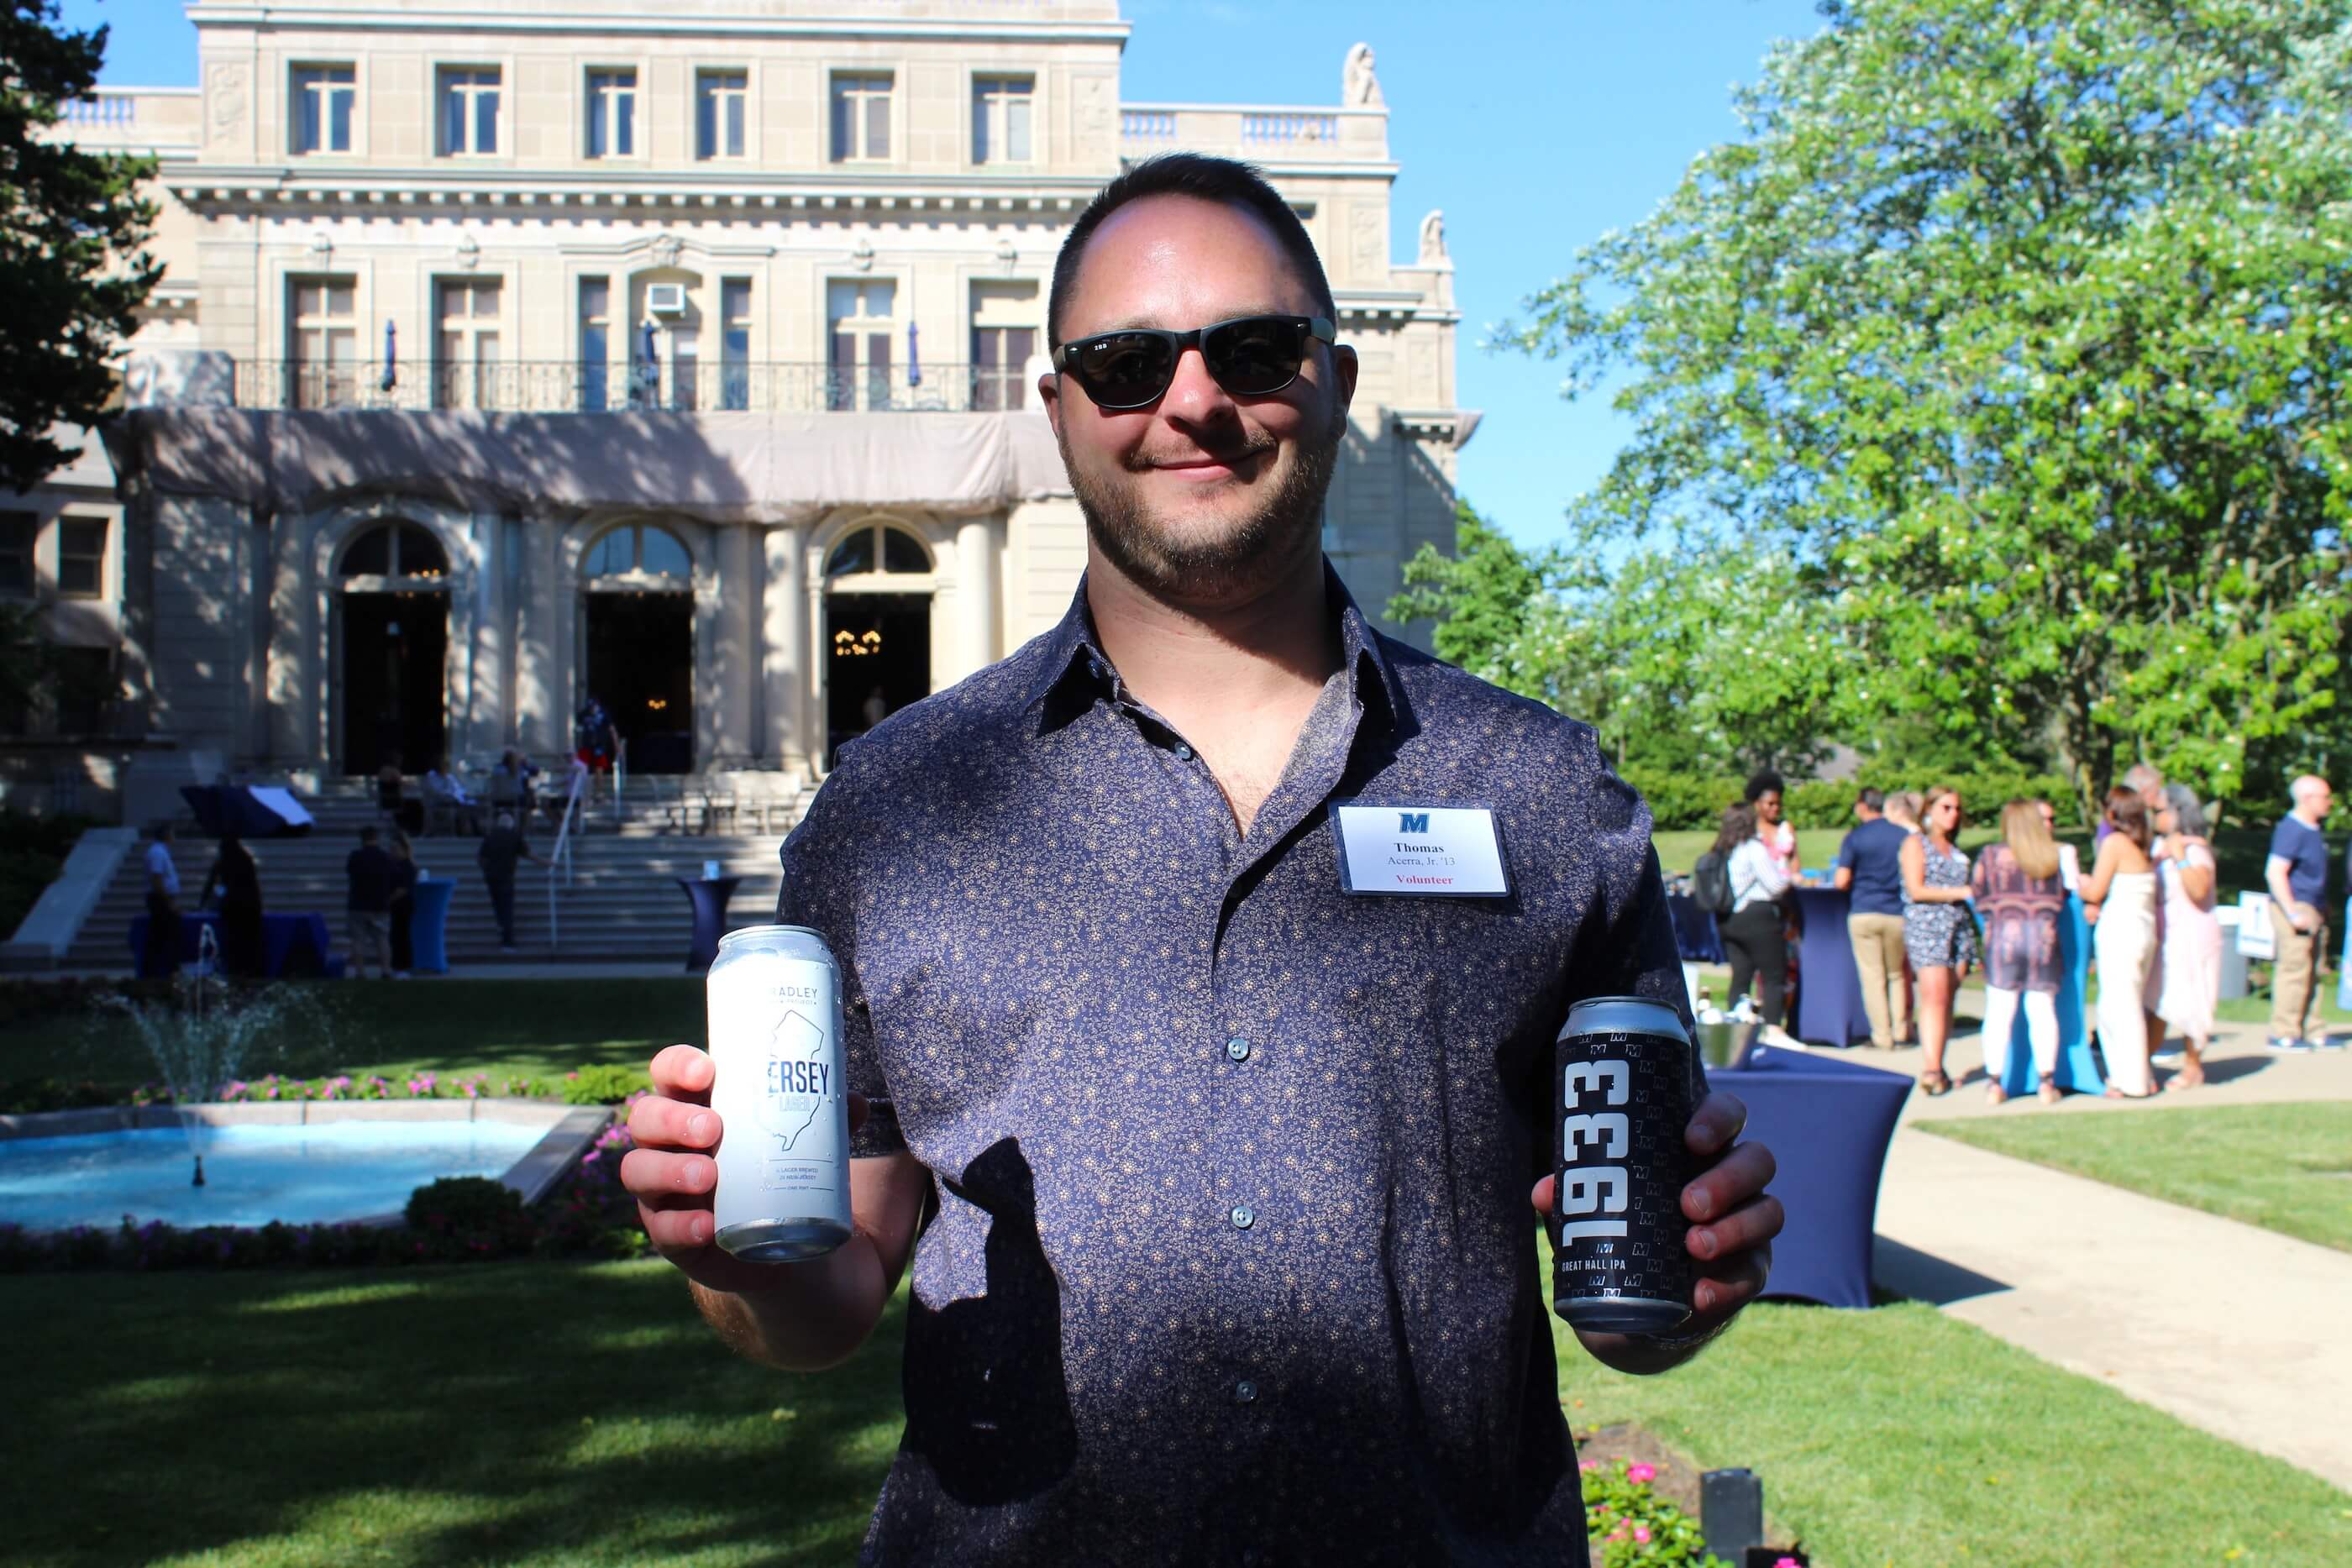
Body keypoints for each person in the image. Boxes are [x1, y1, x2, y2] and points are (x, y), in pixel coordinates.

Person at [618, 152, 1782, 1565]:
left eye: (1254, 348)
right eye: (1123, 361)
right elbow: (827, 1295)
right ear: (1058, 410)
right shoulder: (897, 807)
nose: (1191, 400)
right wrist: (736, 1259)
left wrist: (1693, 1275)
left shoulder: (1538, 790)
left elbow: (1627, 1291)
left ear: (1339, 379)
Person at [1972, 801, 2069, 1105]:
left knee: (1999, 1011)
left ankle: (1994, 1082)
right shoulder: (2051, 857)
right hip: (2043, 939)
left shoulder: (1990, 855)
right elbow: (2062, 897)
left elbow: (1978, 893)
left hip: (2004, 939)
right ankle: (2046, 1082)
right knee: (2042, 1010)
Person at [2080, 788, 2160, 1097]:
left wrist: (2080, 881)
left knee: (2118, 1008)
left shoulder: (2115, 843)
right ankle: (2138, 1074)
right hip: (2144, 930)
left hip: (2121, 931)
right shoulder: (2144, 845)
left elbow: (2096, 890)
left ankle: (2132, 1080)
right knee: (2131, 1004)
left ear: (2113, 813)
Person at [1900, 785, 1975, 1095]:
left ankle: (1939, 1062)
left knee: (1948, 997)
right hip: (1928, 925)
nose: (1952, 815)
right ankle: (1931, 1068)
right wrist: (1960, 893)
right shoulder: (1916, 844)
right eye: (1945, 808)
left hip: (1958, 927)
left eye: (1956, 809)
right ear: (1929, 810)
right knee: (1934, 995)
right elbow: (1916, 889)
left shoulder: (1955, 851)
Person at [2151, 785, 2220, 1088]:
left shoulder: (2195, 852)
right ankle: (2141, 1063)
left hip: (2193, 934)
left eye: (2159, 811)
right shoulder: (2158, 848)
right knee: (2156, 999)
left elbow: (2198, 890)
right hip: (2166, 933)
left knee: (2192, 999)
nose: (2154, 817)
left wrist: (2180, 858)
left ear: (2177, 812)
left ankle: (2194, 1066)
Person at [2263, 774, 2337, 1051]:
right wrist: (2292, 912)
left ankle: (2312, 1029)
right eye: (2325, 797)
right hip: (2296, 906)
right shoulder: (2291, 829)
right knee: (2294, 970)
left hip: (2315, 906)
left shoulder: (2313, 829)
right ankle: (2284, 1032)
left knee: (2315, 970)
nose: (2329, 802)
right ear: (2307, 799)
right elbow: (2275, 872)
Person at [1835, 788, 1912, 1050]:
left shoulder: (1855, 837)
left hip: (1865, 910)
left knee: (1872, 976)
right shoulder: (1903, 836)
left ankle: (1882, 1036)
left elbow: (1841, 879)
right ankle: (1901, 1031)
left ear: (1863, 806)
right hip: (1896, 912)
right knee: (1897, 975)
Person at [1715, 802, 1795, 1044]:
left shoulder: (1721, 850)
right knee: (1773, 974)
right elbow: (1776, 885)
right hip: (1757, 916)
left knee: (1740, 975)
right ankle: (1773, 1029)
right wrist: (1790, 877)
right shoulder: (1752, 847)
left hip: (1728, 918)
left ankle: (1738, 1030)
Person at [198, 832, 265, 979]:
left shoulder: (224, 860)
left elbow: (211, 882)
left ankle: (237, 970)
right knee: (249, 943)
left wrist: (202, 903)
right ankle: (250, 971)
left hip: (233, 908)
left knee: (235, 943)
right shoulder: (245, 858)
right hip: (250, 908)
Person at [477, 810, 540, 952]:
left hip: (491, 876)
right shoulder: (514, 836)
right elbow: (527, 854)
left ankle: (501, 928)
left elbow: (481, 858)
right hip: (506, 876)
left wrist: (486, 870)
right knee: (507, 908)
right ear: (511, 824)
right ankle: (507, 941)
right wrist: (545, 862)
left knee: (498, 906)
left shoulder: (490, 836)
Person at [344, 826, 396, 980]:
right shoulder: (384, 857)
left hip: (358, 903)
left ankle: (360, 972)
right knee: (382, 939)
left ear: (362, 839)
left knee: (358, 940)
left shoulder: (355, 856)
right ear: (377, 837)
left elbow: (350, 873)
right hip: (379, 904)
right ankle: (385, 970)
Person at [140, 821, 181, 978]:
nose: (174, 837)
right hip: (160, 900)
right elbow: (157, 879)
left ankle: (163, 970)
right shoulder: (157, 853)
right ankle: (160, 971)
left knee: (163, 935)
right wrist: (168, 902)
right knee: (164, 935)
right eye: (172, 833)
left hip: (162, 898)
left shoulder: (161, 852)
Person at [1746, 768, 1800, 877]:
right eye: (1770, 804)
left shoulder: (1785, 828)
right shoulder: (1749, 829)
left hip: (1785, 886)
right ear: (1757, 803)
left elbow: (1794, 859)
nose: (1775, 808)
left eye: (1778, 804)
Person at [386, 827, 420, 979]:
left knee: (402, 936)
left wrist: (388, 900)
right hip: (397, 906)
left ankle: (404, 966)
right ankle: (397, 965)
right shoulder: (396, 865)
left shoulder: (408, 866)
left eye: (394, 849)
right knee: (396, 936)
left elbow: (404, 889)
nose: (392, 852)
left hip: (404, 906)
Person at [423, 756, 484, 836]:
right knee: (464, 807)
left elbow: (458, 788)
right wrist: (454, 795)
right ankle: (463, 831)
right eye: (442, 765)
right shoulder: (431, 777)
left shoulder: (450, 777)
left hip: (454, 801)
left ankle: (474, 830)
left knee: (471, 805)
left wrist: (464, 794)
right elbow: (438, 792)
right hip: (439, 803)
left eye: (445, 765)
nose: (444, 767)